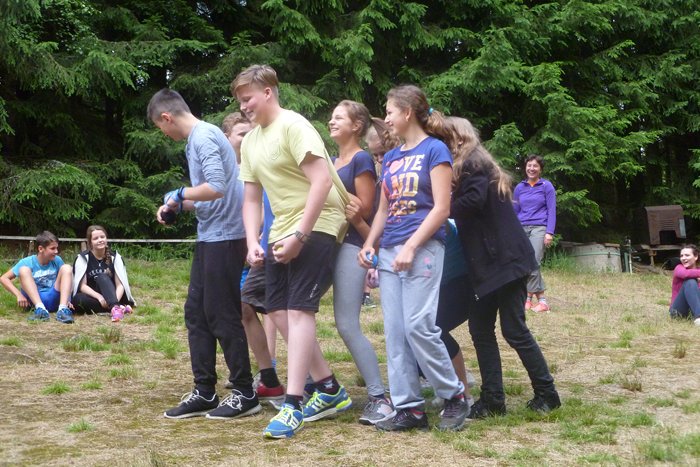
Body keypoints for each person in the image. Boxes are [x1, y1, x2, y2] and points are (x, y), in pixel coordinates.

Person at [233, 64, 352, 439]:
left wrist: (301, 234)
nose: (244, 107)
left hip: (318, 222)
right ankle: (329, 387)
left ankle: (294, 404)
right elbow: (252, 198)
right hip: (280, 228)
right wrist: (252, 240)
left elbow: (321, 181)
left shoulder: (294, 126)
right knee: (277, 310)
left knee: (299, 310)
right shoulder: (251, 142)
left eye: (248, 98)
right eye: (239, 101)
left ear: (268, 92)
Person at [358, 85, 469, 432]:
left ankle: (454, 395)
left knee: (418, 326)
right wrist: (371, 243)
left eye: (390, 111)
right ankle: (409, 408)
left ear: (407, 113)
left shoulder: (435, 150)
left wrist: (411, 246)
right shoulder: (391, 158)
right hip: (390, 249)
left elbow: (441, 208)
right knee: (395, 333)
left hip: (423, 248)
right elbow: (383, 210)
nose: (386, 118)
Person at [148, 88, 260, 420]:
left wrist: (179, 192)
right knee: (196, 313)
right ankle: (205, 392)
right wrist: (176, 205)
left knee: (222, 313)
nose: (163, 133)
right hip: (210, 236)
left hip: (226, 237)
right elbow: (207, 197)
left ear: (167, 117)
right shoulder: (196, 140)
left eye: (160, 127)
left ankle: (245, 392)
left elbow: (216, 186)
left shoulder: (205, 136)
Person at [447, 116, 561, 420]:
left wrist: (439, 207)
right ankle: (493, 399)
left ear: (457, 139)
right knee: (480, 329)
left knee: (514, 330)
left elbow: (472, 201)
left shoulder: (473, 164)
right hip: (490, 263)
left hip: (506, 261)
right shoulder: (474, 165)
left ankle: (547, 393)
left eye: (445, 140)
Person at [329, 100, 393, 425]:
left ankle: (380, 397)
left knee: (346, 324)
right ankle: (318, 385)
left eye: (338, 117)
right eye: (331, 117)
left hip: (352, 245)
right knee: (293, 311)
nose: (331, 121)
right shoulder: (331, 161)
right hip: (328, 244)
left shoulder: (361, 159)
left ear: (356, 125)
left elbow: (365, 210)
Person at [222, 111, 285, 401]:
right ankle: (265, 374)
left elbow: (260, 203)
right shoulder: (224, 169)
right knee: (246, 306)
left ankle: (310, 377)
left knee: (277, 309)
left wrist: (256, 237)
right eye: (241, 134)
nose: (247, 139)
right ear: (227, 138)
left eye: (250, 133)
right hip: (233, 245)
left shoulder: (261, 160)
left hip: (263, 243)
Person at [513, 154, 556, 312]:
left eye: (535, 166)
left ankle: (528, 298)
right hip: (521, 228)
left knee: (534, 262)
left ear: (540, 169)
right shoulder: (519, 188)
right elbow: (515, 211)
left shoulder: (546, 186)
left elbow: (551, 210)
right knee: (525, 263)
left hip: (539, 227)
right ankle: (542, 301)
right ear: (525, 168)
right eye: (529, 165)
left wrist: (549, 232)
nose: (532, 168)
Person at [0, 231, 74, 323]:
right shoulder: (27, 262)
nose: (56, 251)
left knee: (67, 268)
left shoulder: (57, 260)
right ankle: (40, 310)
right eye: (52, 248)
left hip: (53, 297)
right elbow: (4, 278)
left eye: (56, 248)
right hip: (34, 299)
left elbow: (67, 280)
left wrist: (68, 299)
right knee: (23, 269)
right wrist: (19, 295)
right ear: (40, 249)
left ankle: (62, 310)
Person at [72, 225, 135, 321]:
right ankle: (119, 308)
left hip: (113, 295)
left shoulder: (115, 258)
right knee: (77, 300)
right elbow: (82, 286)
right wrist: (99, 297)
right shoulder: (82, 258)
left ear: (106, 238)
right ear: (90, 242)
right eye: (96, 238)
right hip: (93, 296)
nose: (100, 240)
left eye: (102, 237)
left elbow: (120, 285)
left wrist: (114, 301)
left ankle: (115, 307)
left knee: (102, 276)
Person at [669, 245, 700, 326]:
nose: (683, 258)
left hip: (693, 309)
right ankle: (698, 317)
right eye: (681, 256)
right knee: (690, 281)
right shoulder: (679, 268)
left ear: (696, 257)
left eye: (687, 255)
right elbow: (685, 274)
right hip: (678, 311)